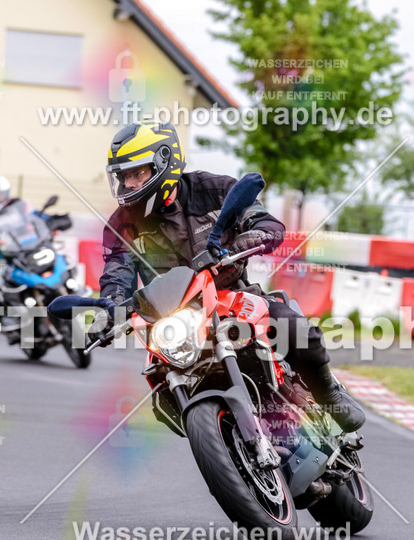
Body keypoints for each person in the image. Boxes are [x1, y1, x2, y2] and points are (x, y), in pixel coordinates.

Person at [95, 122, 364, 433]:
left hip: (232, 297)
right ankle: (223, 441)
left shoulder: (215, 190)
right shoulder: (121, 225)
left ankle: (328, 391)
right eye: (123, 177)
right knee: (160, 385)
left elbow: (263, 220)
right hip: (173, 318)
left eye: (137, 173)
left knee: (291, 327)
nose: (128, 184)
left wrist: (252, 237)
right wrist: (110, 309)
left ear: (163, 162)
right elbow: (116, 274)